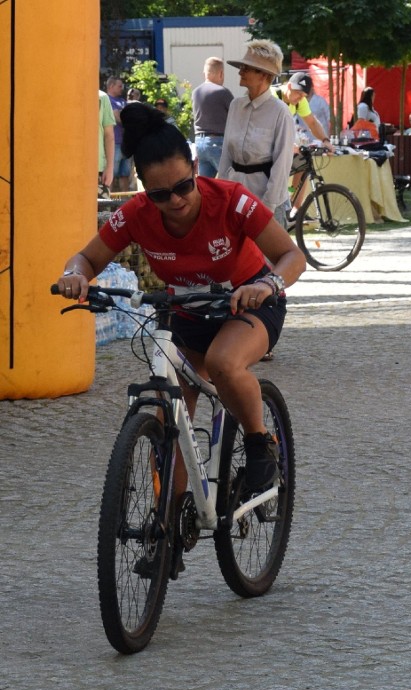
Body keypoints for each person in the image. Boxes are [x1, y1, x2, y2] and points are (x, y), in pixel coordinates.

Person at [56, 101, 306, 503]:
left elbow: (292, 257)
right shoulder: (135, 214)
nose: (175, 200)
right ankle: (165, 525)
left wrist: (269, 285)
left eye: (183, 186)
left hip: (249, 303)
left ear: (193, 166)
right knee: (167, 417)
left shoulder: (232, 200)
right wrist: (74, 275)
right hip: (187, 312)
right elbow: (86, 258)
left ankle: (261, 442)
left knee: (225, 363)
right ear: (143, 189)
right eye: (160, 194)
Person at [219, 40, 296, 227]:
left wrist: (266, 209)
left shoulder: (280, 112)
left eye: (247, 68)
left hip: (266, 201)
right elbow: (226, 155)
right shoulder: (236, 106)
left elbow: (282, 166)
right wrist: (221, 192)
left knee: (265, 257)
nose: (240, 71)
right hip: (235, 197)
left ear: (264, 75)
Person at [277, 72, 334, 212]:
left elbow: (312, 122)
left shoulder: (299, 101)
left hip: (281, 147)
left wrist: (325, 140)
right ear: (289, 86)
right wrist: (288, 144)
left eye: (304, 96)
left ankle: (294, 209)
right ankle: (281, 207)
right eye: (298, 94)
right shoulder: (273, 97)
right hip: (266, 150)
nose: (300, 98)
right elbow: (268, 129)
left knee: (303, 163)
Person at [191, 57, 234, 178]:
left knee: (205, 185)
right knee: (229, 182)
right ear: (221, 73)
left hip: (200, 142)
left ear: (204, 73)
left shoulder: (195, 92)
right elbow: (237, 115)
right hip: (218, 142)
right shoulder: (223, 92)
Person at [106, 77, 131, 192]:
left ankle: (124, 204)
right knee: (111, 174)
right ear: (111, 86)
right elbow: (117, 118)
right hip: (113, 142)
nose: (122, 89)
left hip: (125, 143)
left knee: (125, 174)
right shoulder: (107, 100)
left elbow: (128, 116)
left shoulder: (122, 101)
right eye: (119, 86)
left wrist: (122, 115)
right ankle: (108, 205)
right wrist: (124, 116)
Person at [98, 90, 116, 197]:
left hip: (98, 169)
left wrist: (109, 167)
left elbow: (109, 135)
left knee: (102, 213)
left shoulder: (102, 97)